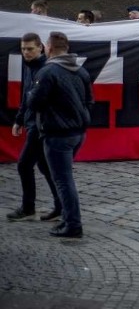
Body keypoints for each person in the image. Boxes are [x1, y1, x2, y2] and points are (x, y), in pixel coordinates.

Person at [27, 31, 93, 238]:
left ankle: (73, 224)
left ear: (49, 48)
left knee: (63, 181)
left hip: (57, 133)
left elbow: (34, 102)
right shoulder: (81, 71)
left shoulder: (48, 72)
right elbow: (90, 101)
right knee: (63, 178)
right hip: (77, 132)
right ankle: (66, 218)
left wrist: (30, 94)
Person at [6, 33, 62, 223]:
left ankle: (29, 207)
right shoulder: (29, 67)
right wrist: (19, 120)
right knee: (45, 166)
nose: (26, 52)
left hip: (40, 125)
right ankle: (60, 205)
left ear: (41, 48)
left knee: (24, 165)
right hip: (31, 123)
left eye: (30, 49)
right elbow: (26, 96)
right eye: (23, 49)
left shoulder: (46, 69)